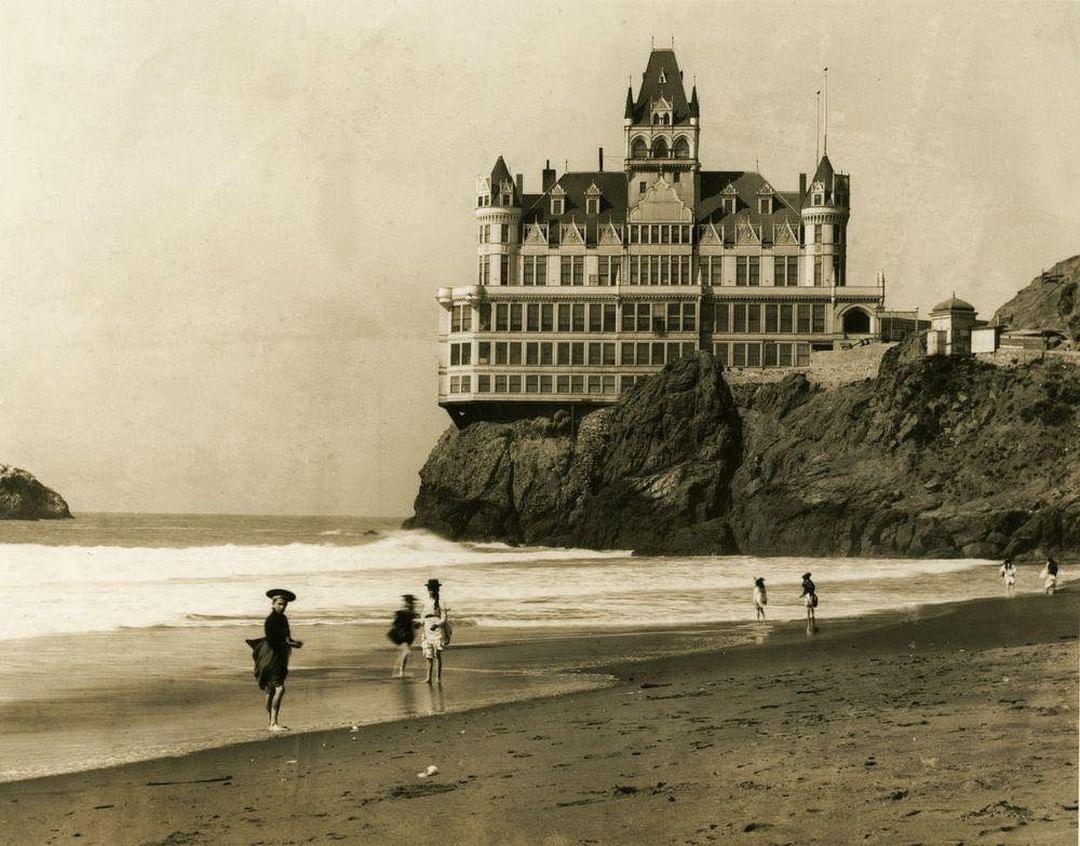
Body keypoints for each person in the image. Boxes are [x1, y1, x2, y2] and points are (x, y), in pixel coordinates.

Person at [245, 588, 303, 732]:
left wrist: (293, 642)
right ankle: (273, 723)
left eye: (284, 605)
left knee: (271, 690)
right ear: (273, 604)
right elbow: (272, 641)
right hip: (271, 656)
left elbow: (287, 637)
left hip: (280, 656)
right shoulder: (270, 620)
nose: (282, 607)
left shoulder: (283, 618)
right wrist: (290, 644)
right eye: (280, 604)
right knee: (279, 688)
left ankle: (271, 722)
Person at [420, 578, 449, 684]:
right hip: (427, 628)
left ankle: (438, 678)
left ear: (437, 589)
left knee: (437, 654)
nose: (430, 590)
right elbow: (423, 616)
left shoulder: (441, 602)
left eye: (432, 588)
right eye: (429, 588)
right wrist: (419, 622)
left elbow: (444, 619)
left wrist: (436, 625)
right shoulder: (425, 601)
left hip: (437, 629)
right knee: (428, 655)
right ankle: (428, 678)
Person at [389, 594, 419, 678]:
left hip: (409, 635)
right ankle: (401, 672)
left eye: (412, 602)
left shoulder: (412, 613)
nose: (412, 604)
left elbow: (416, 626)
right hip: (402, 635)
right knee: (406, 652)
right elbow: (395, 624)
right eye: (411, 602)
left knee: (404, 653)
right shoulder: (402, 612)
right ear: (407, 602)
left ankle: (401, 672)